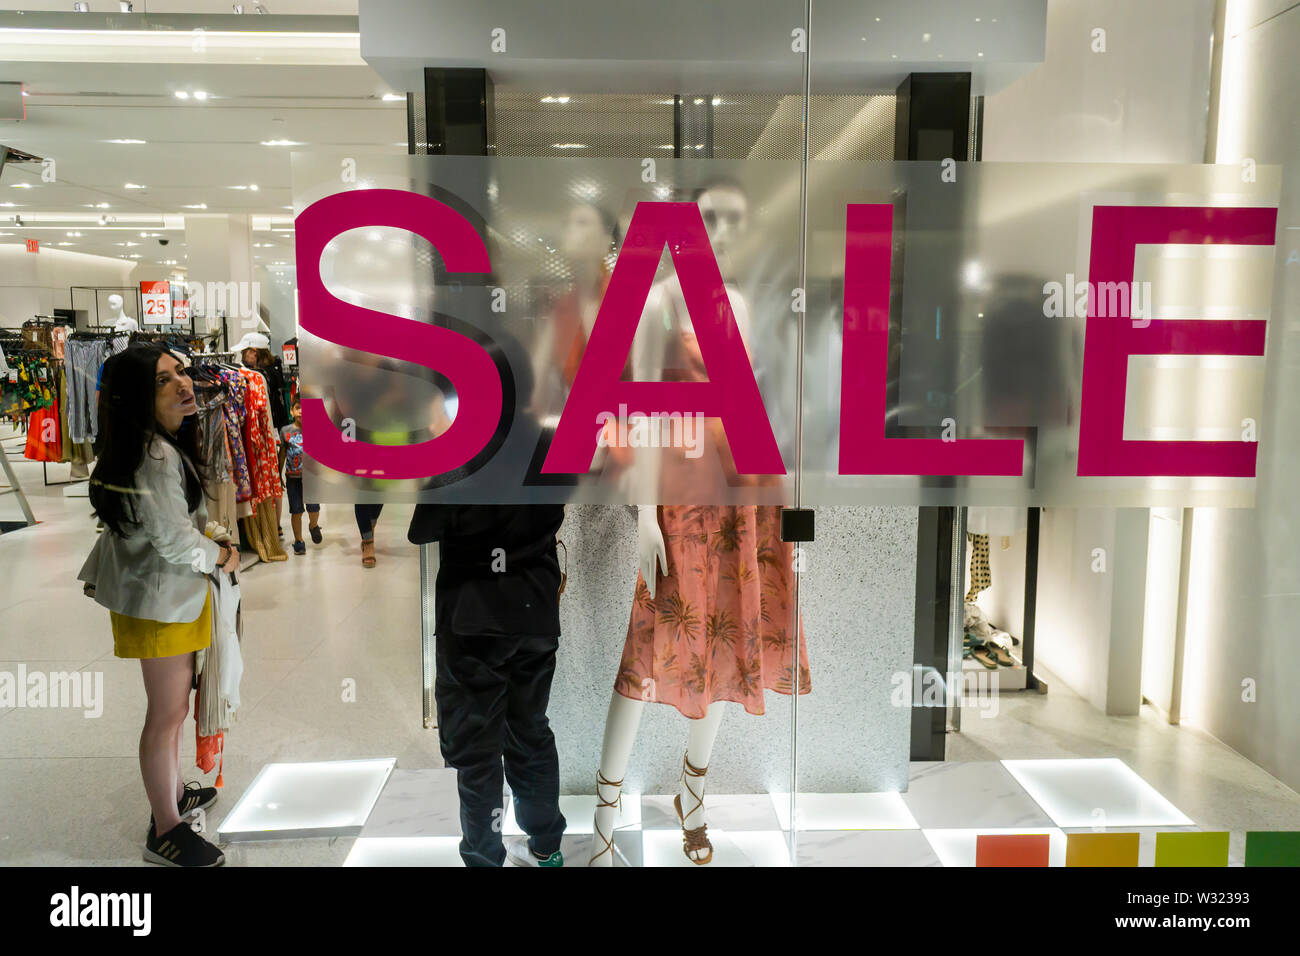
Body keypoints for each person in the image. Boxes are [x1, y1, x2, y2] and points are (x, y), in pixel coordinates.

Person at [78, 343, 239, 868]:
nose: (184, 384)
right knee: (166, 715)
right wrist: (221, 555)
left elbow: (165, 526)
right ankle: (165, 829)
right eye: (164, 380)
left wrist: (208, 538)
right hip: (161, 599)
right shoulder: (155, 454)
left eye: (182, 373)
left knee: (172, 710)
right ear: (135, 398)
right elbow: (173, 542)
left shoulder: (151, 446)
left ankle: (169, 799)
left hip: (164, 595)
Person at [407, 501, 568, 867]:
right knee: (530, 728)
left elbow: (421, 530)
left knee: (478, 751)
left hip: (473, 613)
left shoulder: (462, 451)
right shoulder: (549, 442)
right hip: (535, 606)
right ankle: (546, 845)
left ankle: (484, 858)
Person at [280, 396, 321, 555]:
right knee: (296, 510)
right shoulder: (286, 431)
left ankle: (313, 525)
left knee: (313, 508)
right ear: (292, 410)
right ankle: (299, 541)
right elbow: (282, 453)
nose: (302, 411)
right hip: (293, 479)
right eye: (298, 408)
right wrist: (278, 472)